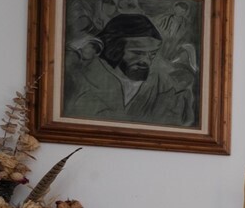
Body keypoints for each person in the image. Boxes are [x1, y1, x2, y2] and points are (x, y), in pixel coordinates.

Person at [61, 13, 197, 127]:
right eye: (137, 53)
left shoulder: (169, 88)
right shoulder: (78, 78)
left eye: (152, 54)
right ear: (114, 49)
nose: (147, 61)